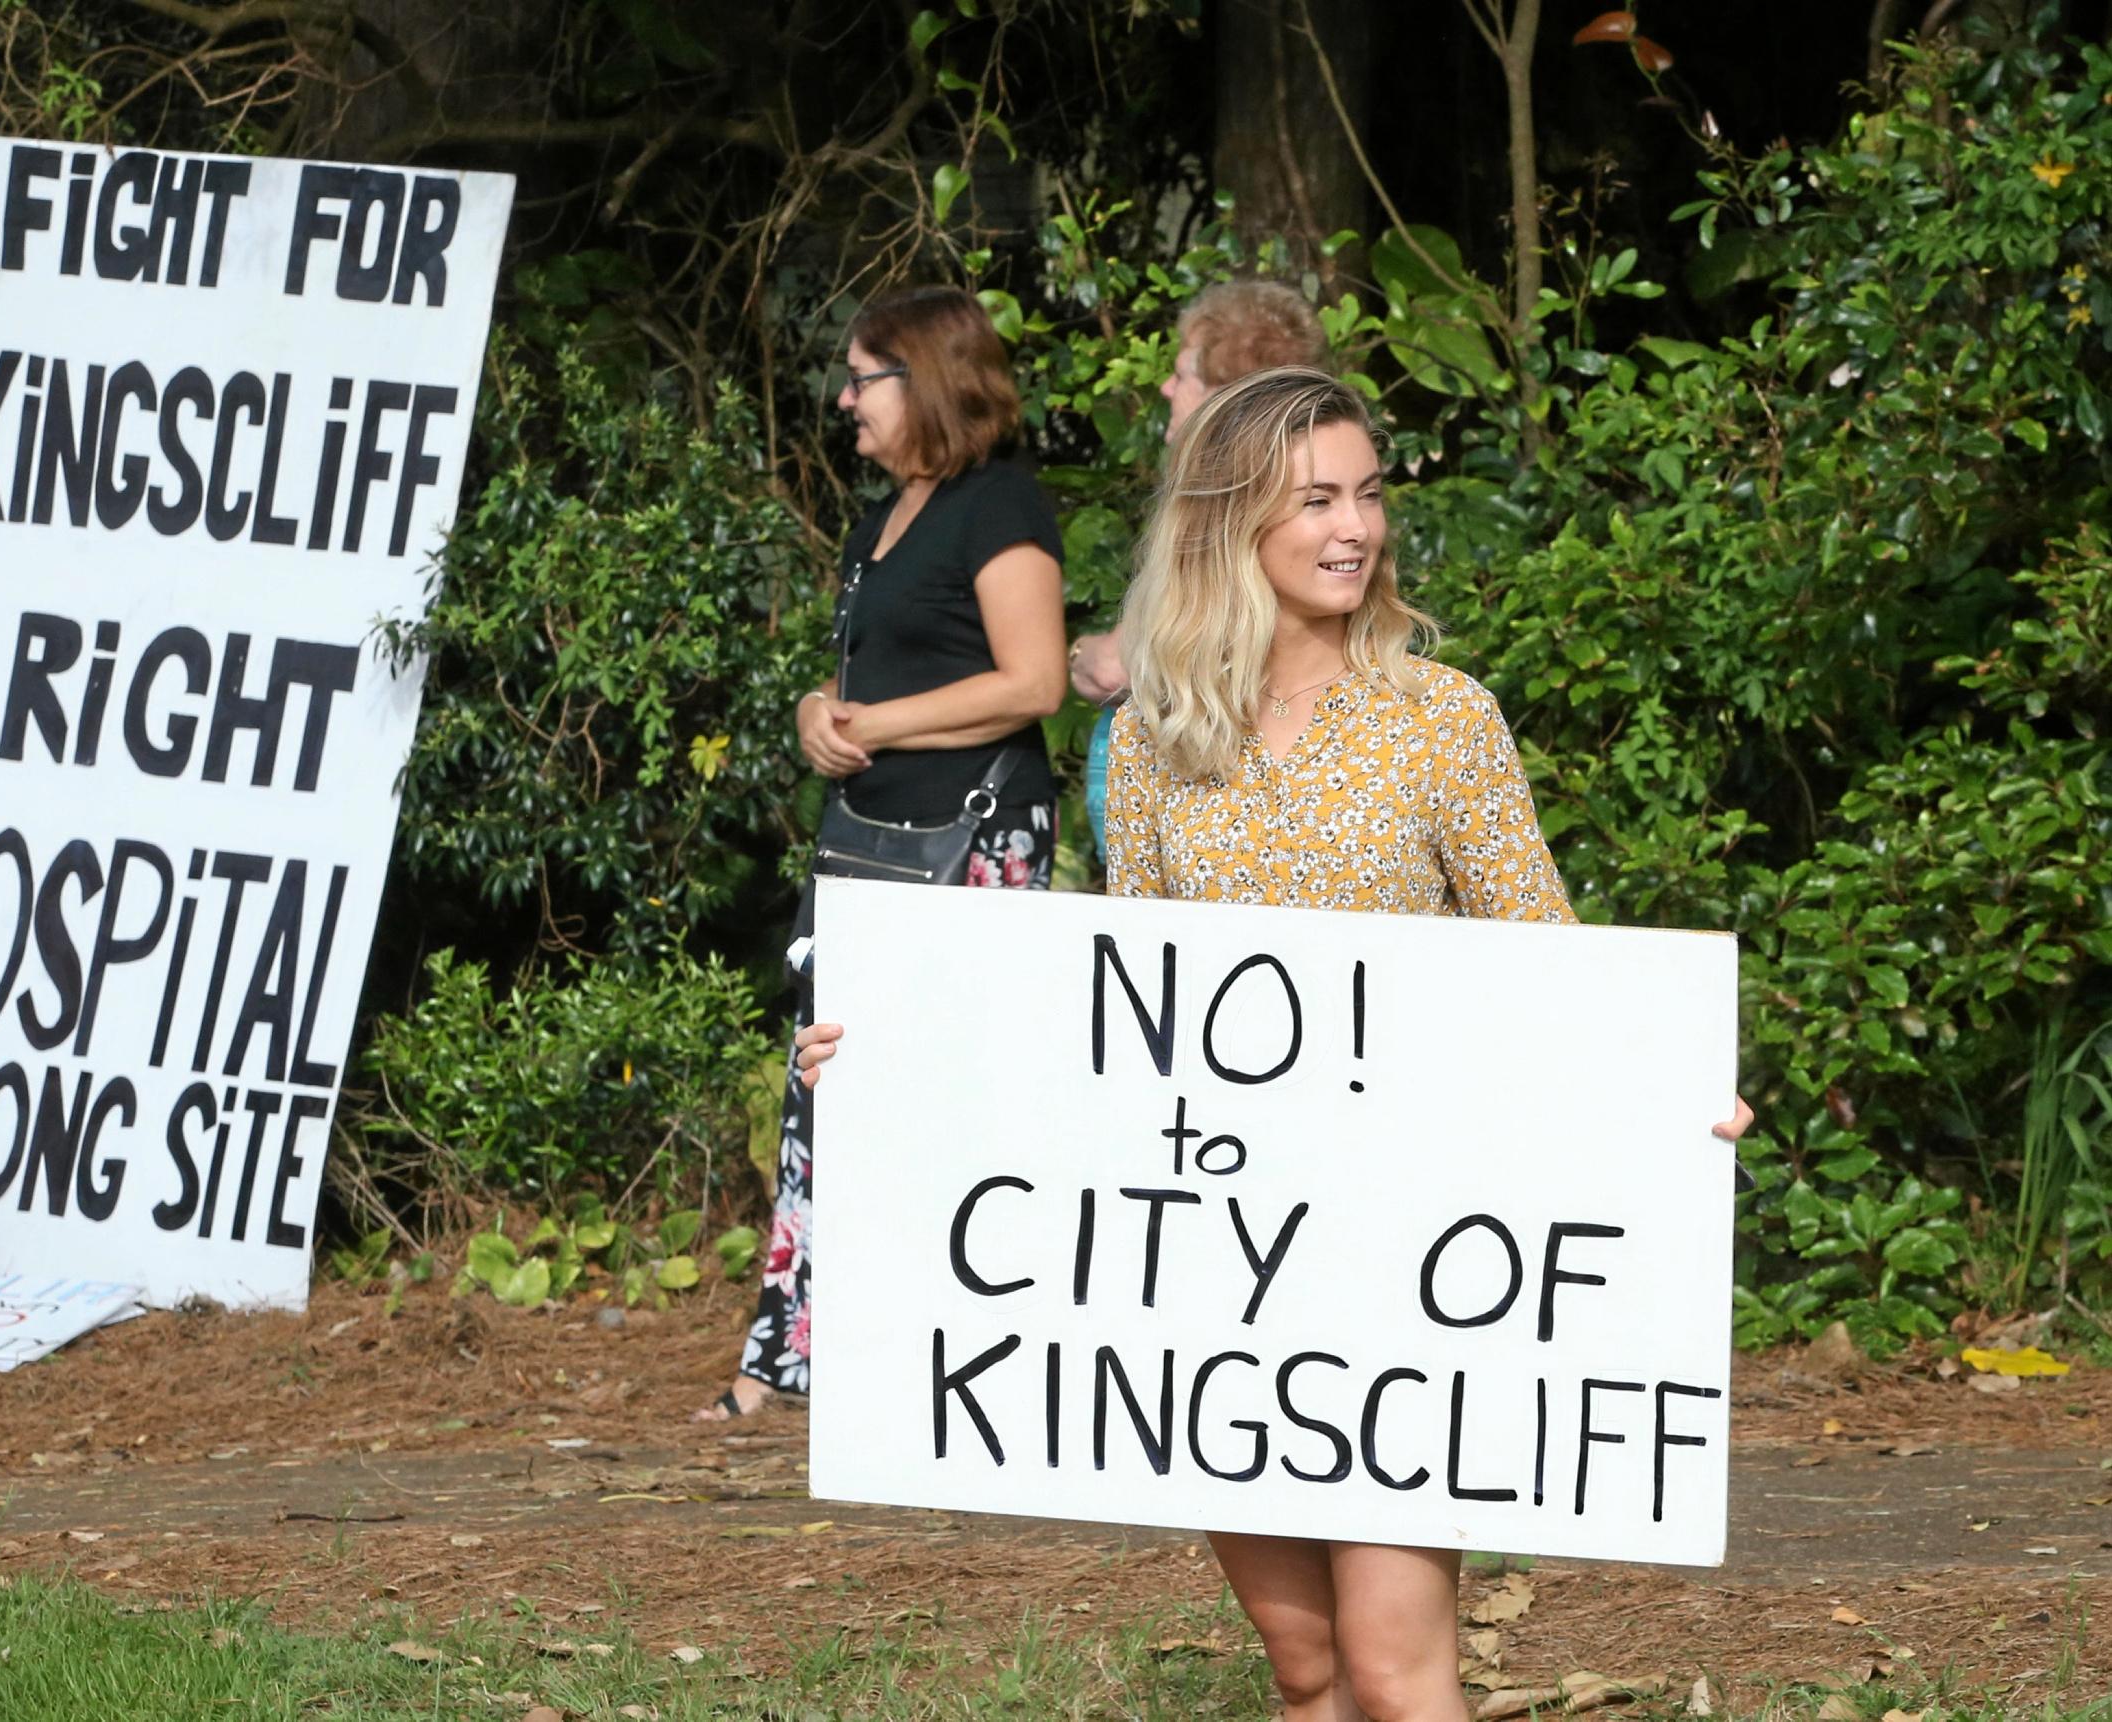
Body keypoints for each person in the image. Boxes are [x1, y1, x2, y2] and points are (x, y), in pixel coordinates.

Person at [790, 370, 1753, 1718]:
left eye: (1365, 494)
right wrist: (899, 1070)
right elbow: (1114, 1016)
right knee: (1305, 1672)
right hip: (1218, 1274)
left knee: (1391, 1664)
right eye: (1315, 499)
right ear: (1231, 522)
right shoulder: (1153, 741)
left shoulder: (1441, 717)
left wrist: (1658, 1103)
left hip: (1407, 1262)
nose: (1352, 526)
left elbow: (1549, 959)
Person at [694, 286, 1067, 1421]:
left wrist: (874, 725)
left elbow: (1033, 682)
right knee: (827, 1077)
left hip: (973, 841)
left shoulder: (1000, 507)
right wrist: (822, 709)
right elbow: (875, 678)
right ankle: (786, 1358)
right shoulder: (890, 514)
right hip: (868, 841)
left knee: (951, 1097)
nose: (845, 401)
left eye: (865, 378)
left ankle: (945, 1369)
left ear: (931, 381)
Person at [1072, 279, 1332, 867]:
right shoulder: (1231, 496)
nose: (1166, 386)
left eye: (1183, 372)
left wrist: (1088, 652)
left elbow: (1125, 663)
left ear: (1226, 392)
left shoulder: (1237, 501)